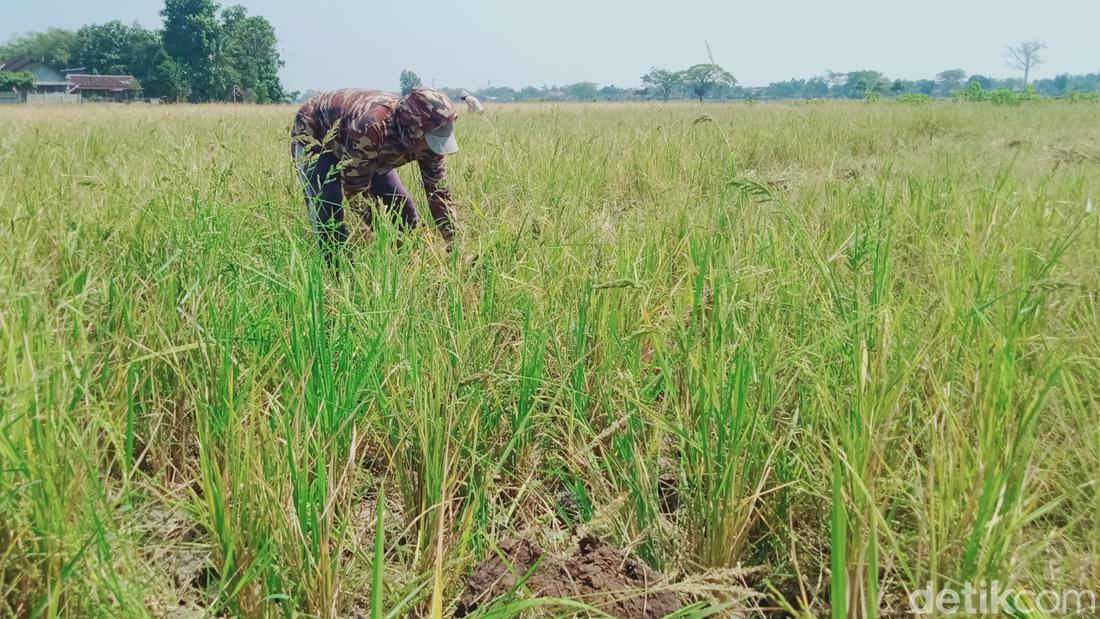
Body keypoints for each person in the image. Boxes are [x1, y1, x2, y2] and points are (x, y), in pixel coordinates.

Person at [291, 87, 459, 263]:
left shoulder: (427, 138)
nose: (434, 150)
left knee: (402, 205)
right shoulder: (371, 128)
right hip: (315, 133)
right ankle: (336, 269)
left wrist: (454, 247)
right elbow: (355, 191)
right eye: (430, 142)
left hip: (363, 149)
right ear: (413, 131)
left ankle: (411, 257)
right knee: (327, 207)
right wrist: (387, 235)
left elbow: (439, 194)